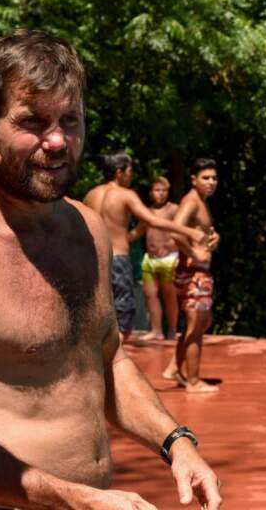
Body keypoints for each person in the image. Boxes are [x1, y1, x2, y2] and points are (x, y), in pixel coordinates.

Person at [0, 30, 221, 509]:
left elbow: (108, 359)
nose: (56, 141)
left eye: (70, 121)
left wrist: (178, 442)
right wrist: (76, 498)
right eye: (32, 122)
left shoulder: (88, 229)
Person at [84, 152, 205, 340]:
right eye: (130, 170)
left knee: (99, 311)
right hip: (118, 259)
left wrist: (140, 230)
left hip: (93, 259)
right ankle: (114, 363)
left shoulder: (91, 195)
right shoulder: (125, 194)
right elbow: (152, 220)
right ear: (119, 172)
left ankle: (99, 362)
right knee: (123, 315)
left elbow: (115, 232)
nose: (131, 175)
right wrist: (190, 232)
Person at [161, 159, 220, 393]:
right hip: (193, 271)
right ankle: (193, 381)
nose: (211, 182)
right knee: (196, 325)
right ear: (193, 180)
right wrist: (193, 252)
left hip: (200, 271)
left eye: (214, 178)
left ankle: (174, 367)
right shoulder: (191, 201)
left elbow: (202, 232)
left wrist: (215, 239)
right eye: (206, 178)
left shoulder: (202, 203)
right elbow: (176, 229)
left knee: (201, 322)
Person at [139, 176, 181, 341]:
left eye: (164, 190)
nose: (161, 194)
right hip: (149, 258)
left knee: (169, 294)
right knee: (150, 293)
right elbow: (140, 231)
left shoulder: (174, 209)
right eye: (157, 190)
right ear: (151, 192)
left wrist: (170, 245)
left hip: (169, 258)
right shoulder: (146, 211)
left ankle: (172, 330)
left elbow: (181, 230)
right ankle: (156, 330)